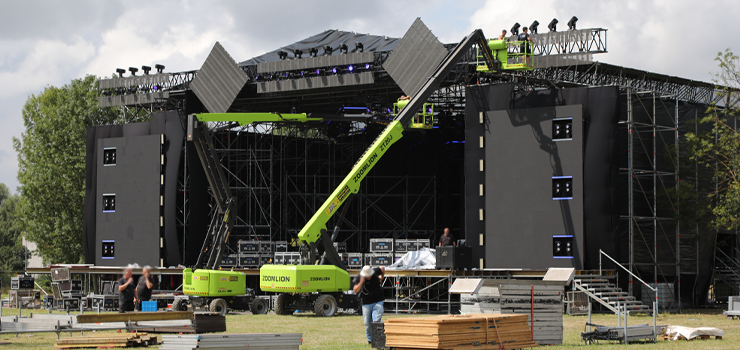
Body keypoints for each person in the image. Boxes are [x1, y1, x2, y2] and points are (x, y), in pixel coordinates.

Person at [353, 265, 385, 344]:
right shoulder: (360, 277)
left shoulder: (375, 271)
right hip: (366, 303)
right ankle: (370, 340)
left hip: (378, 301)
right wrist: (361, 282)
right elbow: (355, 290)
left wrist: (382, 277)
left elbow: (382, 268)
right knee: (367, 324)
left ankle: (378, 341)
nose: (368, 277)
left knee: (376, 320)